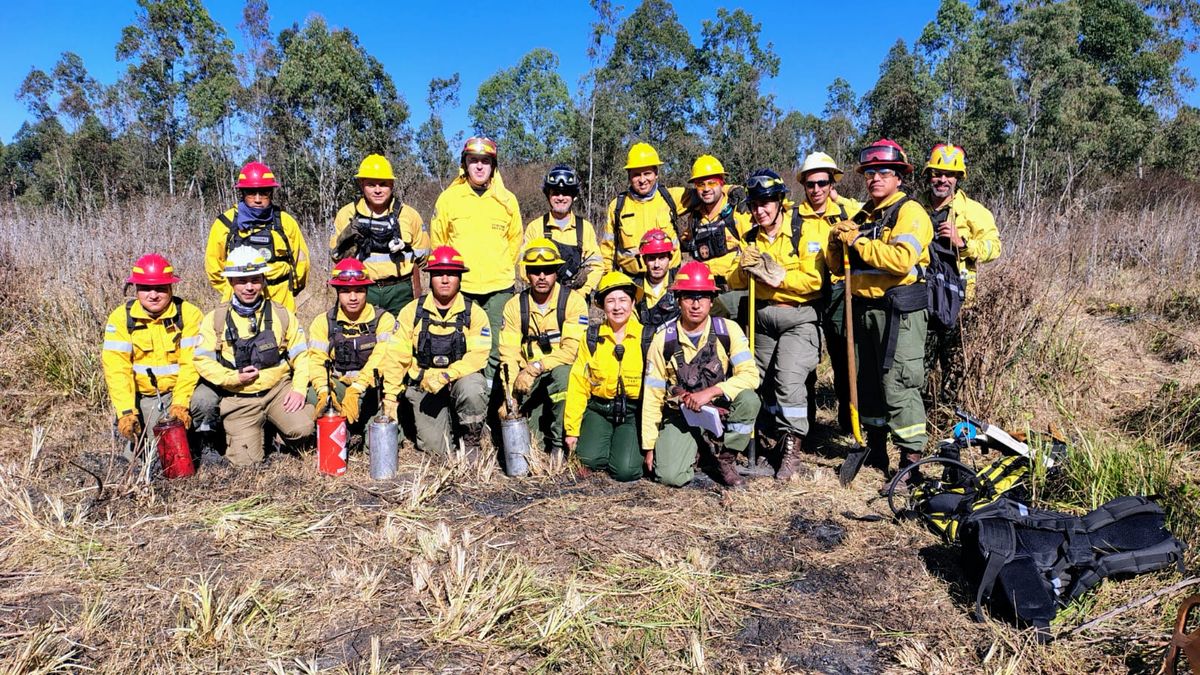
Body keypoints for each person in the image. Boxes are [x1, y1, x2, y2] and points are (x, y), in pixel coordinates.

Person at [827, 139, 933, 486]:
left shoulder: (910, 213)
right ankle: (875, 449)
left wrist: (857, 241)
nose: (875, 179)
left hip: (898, 312)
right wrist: (835, 242)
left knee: (899, 383)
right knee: (868, 383)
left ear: (899, 177)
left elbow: (901, 260)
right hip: (863, 310)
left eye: (884, 173)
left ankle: (910, 463)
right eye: (870, 173)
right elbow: (837, 268)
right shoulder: (862, 216)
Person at [728, 169, 826, 482]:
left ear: (780, 201)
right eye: (755, 204)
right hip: (761, 321)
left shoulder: (803, 232)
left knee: (788, 380)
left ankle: (791, 452)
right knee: (755, 380)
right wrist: (744, 271)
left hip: (798, 319)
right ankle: (748, 440)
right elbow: (734, 280)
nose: (760, 210)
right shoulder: (750, 239)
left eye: (767, 202)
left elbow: (814, 281)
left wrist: (778, 276)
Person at [642, 261, 761, 488]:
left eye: (702, 297)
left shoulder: (728, 330)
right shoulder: (663, 339)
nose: (696, 305)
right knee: (670, 476)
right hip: (682, 414)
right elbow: (653, 394)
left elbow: (750, 375)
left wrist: (712, 392)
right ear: (678, 300)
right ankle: (698, 449)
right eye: (689, 297)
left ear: (711, 300)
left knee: (749, 399)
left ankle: (726, 458)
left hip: (720, 409)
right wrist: (649, 446)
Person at [194, 246, 314, 466]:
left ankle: (278, 430)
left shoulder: (281, 314)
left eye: (255, 279)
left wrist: (297, 389)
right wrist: (232, 378)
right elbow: (202, 361)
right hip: (240, 399)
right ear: (230, 282)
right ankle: (246, 434)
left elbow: (301, 355)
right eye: (242, 281)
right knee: (246, 463)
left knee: (304, 429)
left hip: (278, 391)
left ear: (263, 280)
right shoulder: (215, 319)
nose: (249, 287)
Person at [102, 254, 219, 455]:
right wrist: (126, 412)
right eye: (146, 288)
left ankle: (205, 442)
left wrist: (180, 404)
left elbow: (190, 366)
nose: (153, 295)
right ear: (136, 289)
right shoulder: (121, 318)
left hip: (183, 390)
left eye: (161, 288)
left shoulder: (189, 314)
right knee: (143, 456)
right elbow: (117, 370)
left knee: (206, 400)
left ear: (171, 289)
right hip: (147, 397)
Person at [430, 137, 523, 383]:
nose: (479, 167)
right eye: (474, 161)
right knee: (460, 345)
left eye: (485, 161)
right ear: (465, 164)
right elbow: (439, 243)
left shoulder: (507, 200)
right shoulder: (449, 199)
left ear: (493, 166)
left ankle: (494, 403)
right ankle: (465, 403)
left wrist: (499, 267)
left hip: (499, 288)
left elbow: (515, 241)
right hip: (462, 289)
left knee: (496, 347)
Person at [382, 246, 491, 455]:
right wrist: (390, 396)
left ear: (460, 278)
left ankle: (471, 439)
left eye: (451, 274)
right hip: (425, 387)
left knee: (473, 387)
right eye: (439, 274)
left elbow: (477, 357)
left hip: (458, 382)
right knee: (435, 451)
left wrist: (446, 375)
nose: (445, 279)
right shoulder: (411, 312)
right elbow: (396, 357)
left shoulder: (475, 314)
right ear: (429, 277)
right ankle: (444, 427)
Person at [921, 143, 1002, 409]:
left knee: (954, 371)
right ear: (928, 174)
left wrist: (964, 244)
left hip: (959, 305)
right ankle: (918, 422)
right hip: (920, 302)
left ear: (958, 178)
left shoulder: (973, 212)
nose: (942, 180)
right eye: (937, 173)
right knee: (917, 371)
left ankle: (948, 425)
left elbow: (995, 248)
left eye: (949, 174)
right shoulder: (914, 208)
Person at [498, 238, 590, 458]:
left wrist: (535, 367)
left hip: (556, 372)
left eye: (547, 270)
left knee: (563, 377)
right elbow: (508, 353)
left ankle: (559, 443)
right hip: (527, 380)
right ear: (527, 273)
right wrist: (510, 395)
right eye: (535, 271)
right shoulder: (514, 306)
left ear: (556, 272)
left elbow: (570, 351)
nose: (541, 277)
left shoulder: (573, 302)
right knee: (533, 447)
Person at [795, 152, 862, 432]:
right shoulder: (793, 217)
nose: (817, 190)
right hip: (805, 295)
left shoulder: (849, 211)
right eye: (811, 184)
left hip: (838, 293)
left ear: (832, 183)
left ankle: (850, 423)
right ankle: (803, 426)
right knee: (804, 362)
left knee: (844, 358)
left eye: (823, 183)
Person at [564, 272, 645, 481]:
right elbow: (578, 384)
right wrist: (572, 430)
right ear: (601, 305)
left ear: (633, 303)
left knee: (625, 471)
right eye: (610, 301)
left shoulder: (647, 338)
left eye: (623, 300)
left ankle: (625, 449)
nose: (617, 307)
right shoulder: (591, 337)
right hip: (599, 409)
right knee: (587, 459)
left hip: (631, 413)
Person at [304, 258, 398, 431]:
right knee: (312, 395)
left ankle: (364, 423)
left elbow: (381, 358)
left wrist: (356, 389)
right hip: (340, 384)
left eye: (359, 290)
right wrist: (325, 391)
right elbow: (316, 361)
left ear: (367, 291)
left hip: (372, 389)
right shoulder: (322, 322)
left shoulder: (384, 320)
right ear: (338, 292)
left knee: (379, 440)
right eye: (346, 291)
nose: (353, 297)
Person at [330, 154, 430, 315]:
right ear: (362, 185)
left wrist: (405, 247)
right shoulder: (347, 214)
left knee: (401, 337)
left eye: (383, 184)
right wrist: (347, 244)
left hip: (400, 291)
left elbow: (423, 257)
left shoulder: (409, 215)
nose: (377, 190)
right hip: (360, 289)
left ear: (392, 184)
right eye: (371, 184)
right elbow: (335, 256)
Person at [204, 162, 310, 312]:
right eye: (251, 193)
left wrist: (290, 289)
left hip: (281, 299)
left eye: (264, 192)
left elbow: (301, 262)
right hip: (238, 300)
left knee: (284, 335)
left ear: (271, 193)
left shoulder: (286, 222)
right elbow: (214, 265)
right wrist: (236, 289)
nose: (258, 199)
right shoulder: (225, 224)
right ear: (242, 193)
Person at [601, 142, 684, 275]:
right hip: (633, 281)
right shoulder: (617, 206)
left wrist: (729, 190)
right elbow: (607, 250)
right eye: (636, 174)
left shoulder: (671, 197)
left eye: (647, 173)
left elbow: (706, 192)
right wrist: (608, 279)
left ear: (656, 174)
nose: (642, 179)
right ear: (629, 176)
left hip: (668, 279)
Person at [523, 164, 603, 297]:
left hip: (577, 298)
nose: (561, 198)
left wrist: (582, 293)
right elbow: (524, 265)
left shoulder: (585, 228)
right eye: (555, 193)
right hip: (542, 298)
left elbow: (596, 266)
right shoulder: (535, 227)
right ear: (548, 195)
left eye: (566, 193)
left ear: (573, 196)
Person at [678, 154, 750, 282]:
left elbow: (753, 248)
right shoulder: (695, 217)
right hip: (704, 284)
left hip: (734, 285)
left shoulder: (738, 211)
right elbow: (685, 240)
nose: (706, 189)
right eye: (700, 184)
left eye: (712, 183)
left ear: (722, 183)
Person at [632, 228, 680, 351]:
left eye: (662, 258)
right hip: (642, 347)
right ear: (644, 260)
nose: (657, 264)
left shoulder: (681, 283)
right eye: (652, 258)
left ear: (670, 258)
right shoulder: (633, 288)